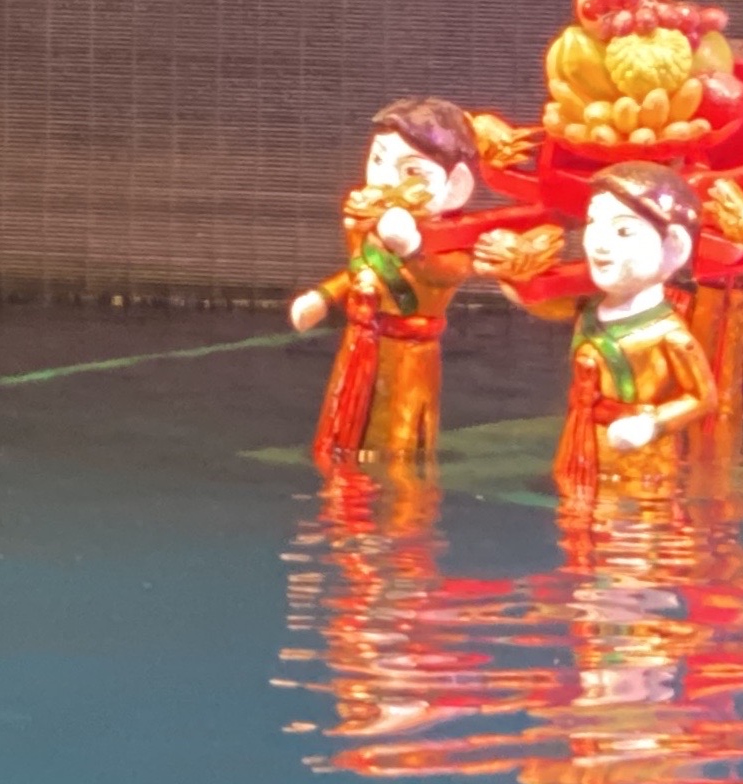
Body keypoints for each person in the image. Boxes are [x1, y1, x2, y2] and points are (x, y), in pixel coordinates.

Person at [499, 161, 719, 507]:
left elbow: (703, 397)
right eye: (592, 223)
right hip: (583, 445)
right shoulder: (587, 308)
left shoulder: (670, 335)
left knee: (636, 528)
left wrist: (651, 424)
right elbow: (540, 303)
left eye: (623, 231)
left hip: (639, 460)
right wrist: (511, 277)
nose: (600, 244)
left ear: (673, 247)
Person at [291, 97, 487, 472]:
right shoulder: (366, 225)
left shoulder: (451, 242)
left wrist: (412, 248)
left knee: (400, 437)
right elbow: (360, 270)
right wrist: (323, 297)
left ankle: (402, 486)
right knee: (348, 428)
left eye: (412, 172)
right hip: (361, 341)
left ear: (456, 186)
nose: (385, 180)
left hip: (409, 352)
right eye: (378, 160)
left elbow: (448, 273)